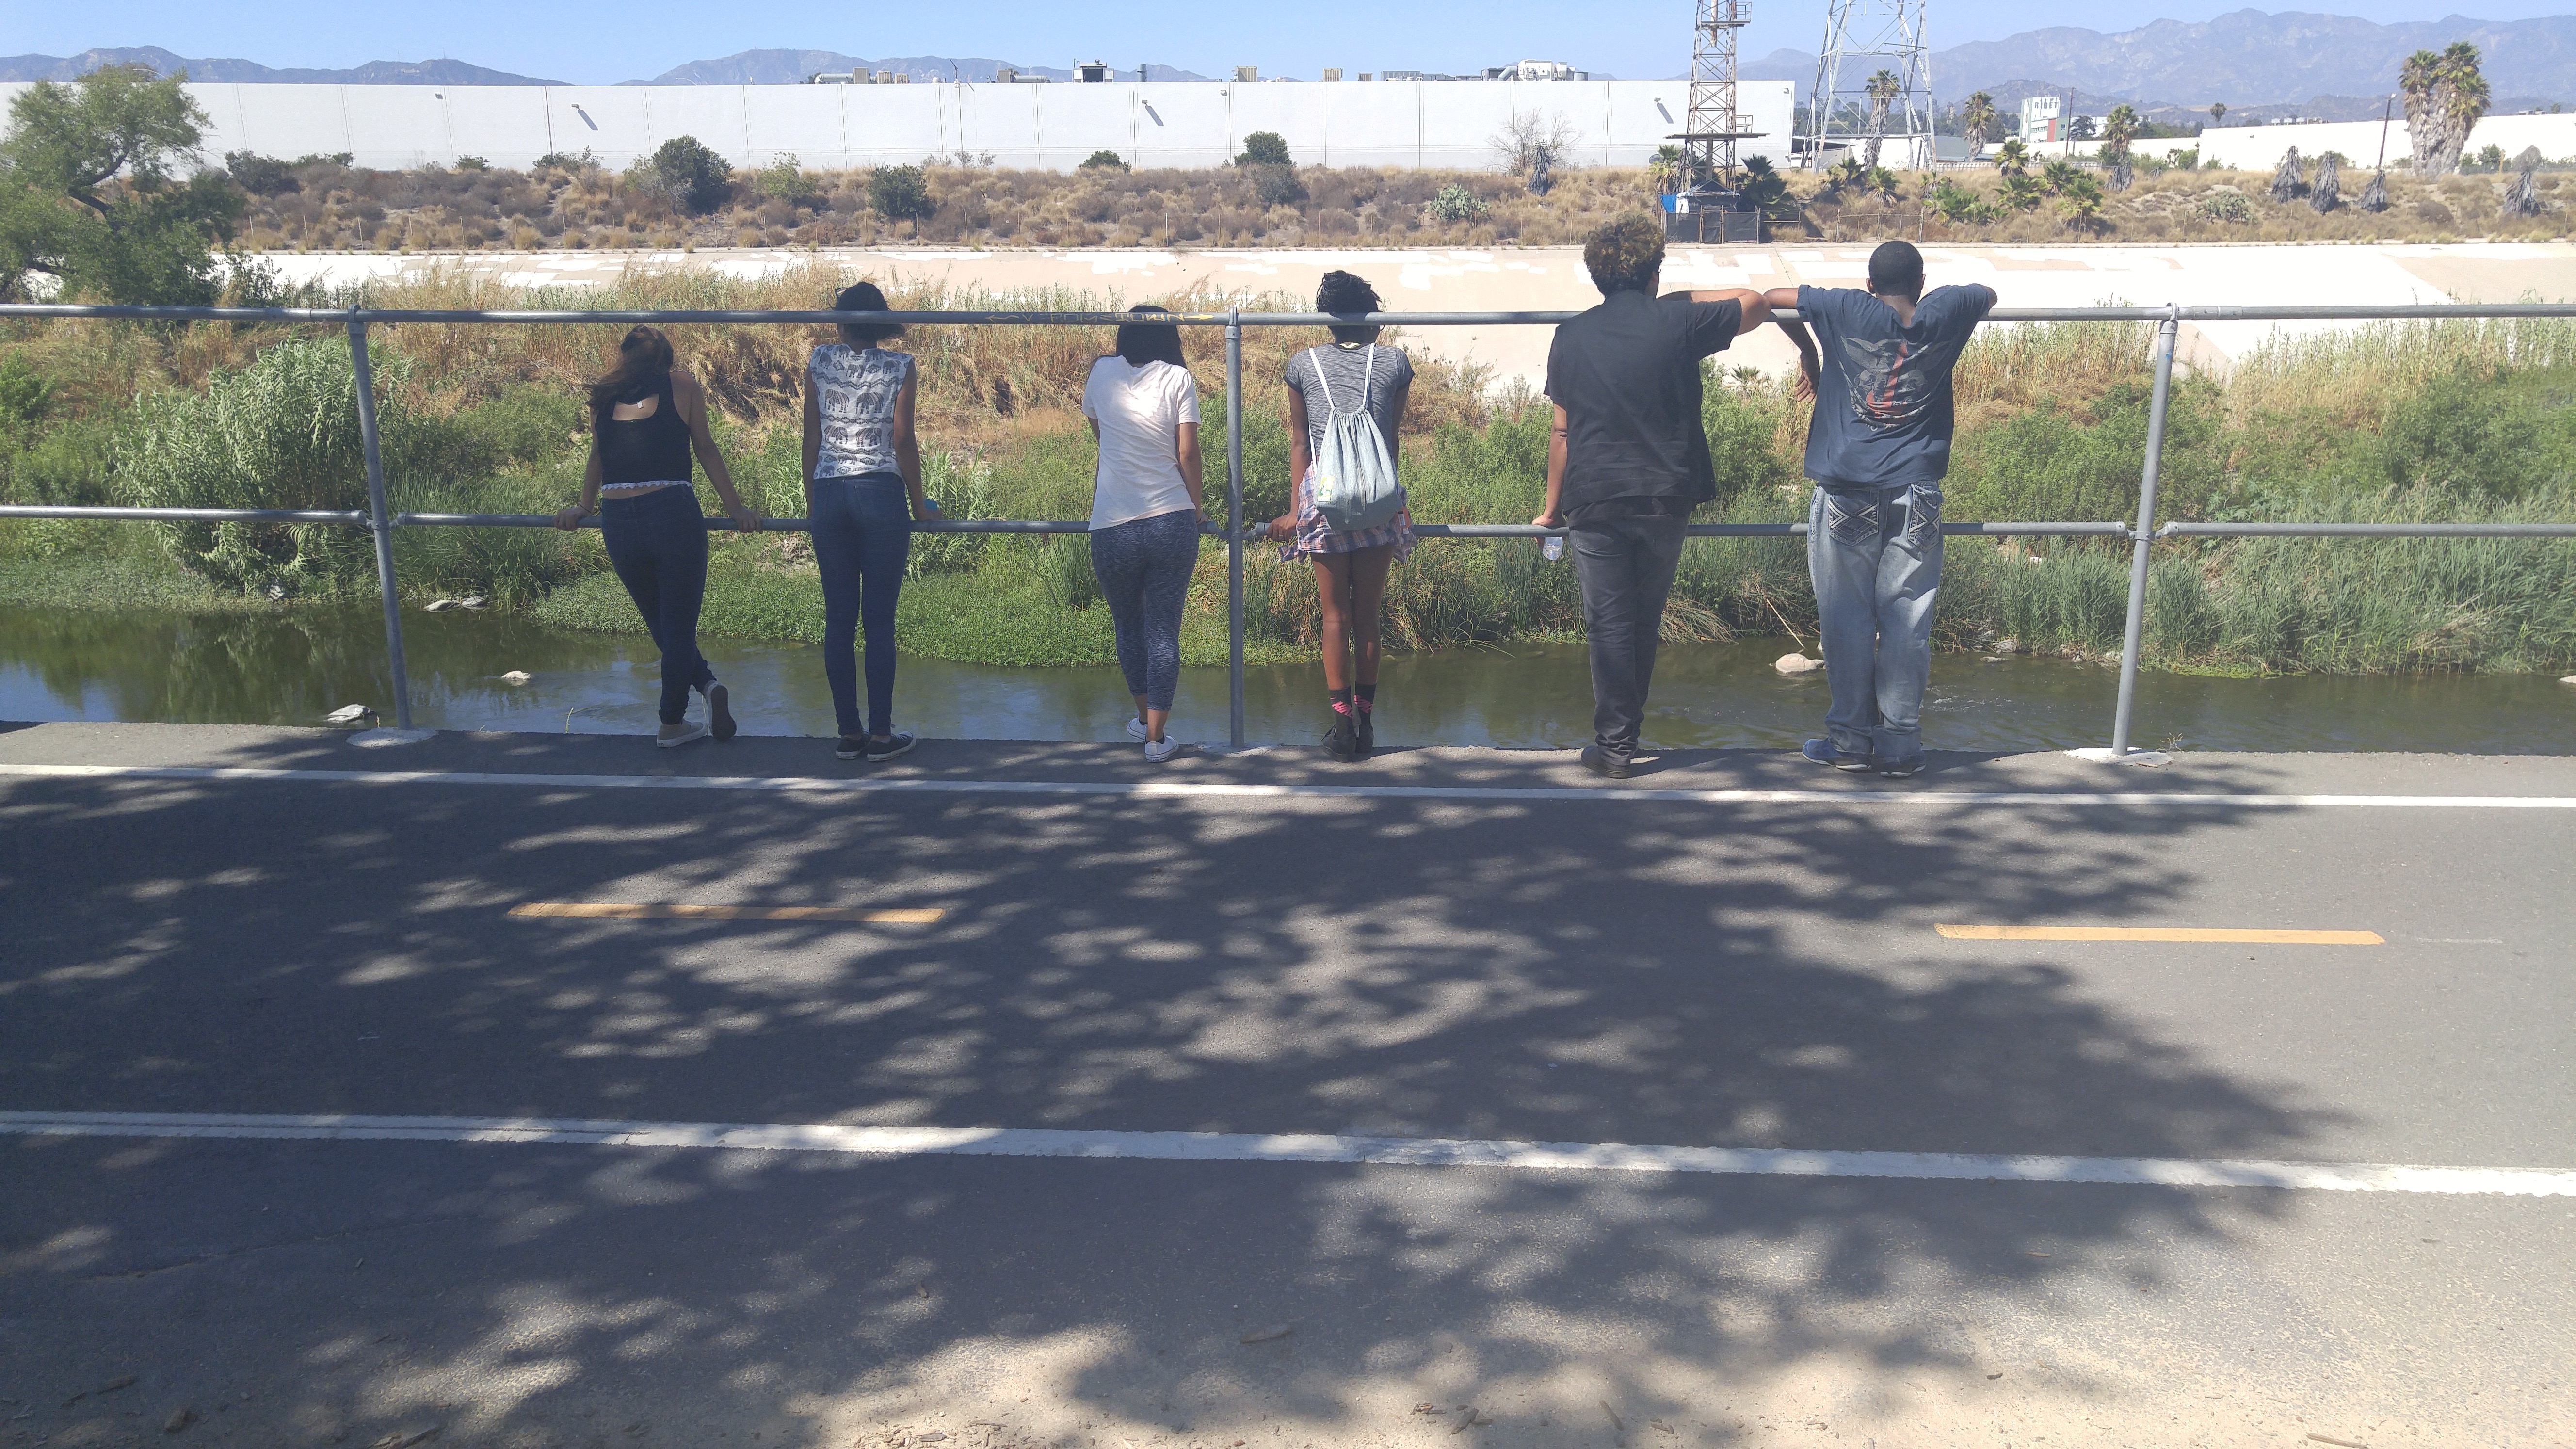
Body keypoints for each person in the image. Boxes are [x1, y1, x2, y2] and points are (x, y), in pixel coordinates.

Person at [1532, 216, 1768, 780]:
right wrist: (1679, 298)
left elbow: (1561, 433)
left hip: (1593, 495)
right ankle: (1621, 736)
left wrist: (1550, 509)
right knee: (1643, 619)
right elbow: (1755, 301)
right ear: (1653, 272)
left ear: (1595, 276)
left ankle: (1614, 744)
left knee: (1607, 623)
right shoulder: (1680, 320)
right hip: (1666, 492)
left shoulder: (1569, 335)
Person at [1764, 240, 1996, 778]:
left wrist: (1808, 351)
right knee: (1907, 619)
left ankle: (1848, 743)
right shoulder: (1947, 310)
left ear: (1870, 284)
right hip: (1916, 489)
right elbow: (1987, 292)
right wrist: (1934, 301)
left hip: (1846, 486)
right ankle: (1898, 746)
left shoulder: (1848, 307)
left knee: (1845, 620)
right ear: (1919, 282)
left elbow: (1772, 299)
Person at [555, 325, 758, 748]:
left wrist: (583, 506)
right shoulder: (681, 385)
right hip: (672, 510)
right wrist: (736, 509)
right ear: (665, 360)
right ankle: (671, 722)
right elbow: (705, 448)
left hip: (617, 516)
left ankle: (707, 685)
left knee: (660, 624)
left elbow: (598, 455)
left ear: (624, 356)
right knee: (679, 626)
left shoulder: (601, 397)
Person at [1265, 270, 1414, 761]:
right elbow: (1388, 442)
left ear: (1327, 318)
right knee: (1368, 617)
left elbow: (1299, 443)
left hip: (1321, 499)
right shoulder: (1394, 362)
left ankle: (1341, 728)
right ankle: (1367, 725)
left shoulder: (1301, 364)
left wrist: (1294, 510)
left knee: (1335, 616)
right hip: (1376, 496)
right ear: (1369, 315)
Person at [804, 281, 930, 763]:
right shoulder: (900, 366)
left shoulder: (819, 361)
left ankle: (848, 733)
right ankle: (881, 736)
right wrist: (920, 505)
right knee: (878, 621)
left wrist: (812, 500)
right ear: (882, 323)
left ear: (840, 320)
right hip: (880, 493)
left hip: (831, 492)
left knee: (838, 619)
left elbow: (810, 437)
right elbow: (902, 441)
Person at [1081, 305, 1207, 763]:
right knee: (1163, 630)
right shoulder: (1178, 378)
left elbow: (1101, 433)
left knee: (1128, 626)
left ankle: (1142, 722)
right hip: (1170, 518)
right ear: (1169, 338)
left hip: (1112, 523)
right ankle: (1157, 739)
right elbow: (1188, 454)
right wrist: (1197, 507)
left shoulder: (1101, 374)